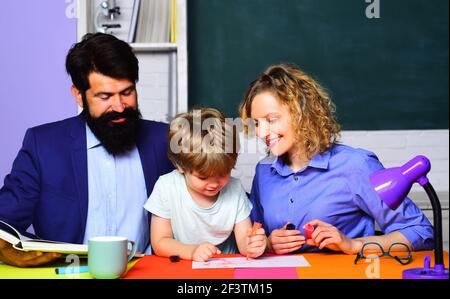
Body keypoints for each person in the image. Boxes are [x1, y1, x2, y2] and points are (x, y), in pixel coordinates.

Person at [0, 33, 174, 267]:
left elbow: (219, 186)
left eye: (127, 92)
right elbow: (4, 219)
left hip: (147, 272)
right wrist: (6, 250)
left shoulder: (164, 139)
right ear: (79, 96)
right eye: (105, 96)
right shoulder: (43, 145)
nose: (120, 106)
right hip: (68, 273)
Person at [239, 63, 434, 255]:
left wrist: (353, 244)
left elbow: (421, 231)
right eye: (256, 123)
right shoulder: (264, 171)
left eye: (271, 120)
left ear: (302, 114)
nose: (261, 132)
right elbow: (255, 236)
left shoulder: (355, 165)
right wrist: (268, 243)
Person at [144, 108, 267, 261]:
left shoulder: (234, 189)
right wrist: (192, 251)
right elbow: (160, 242)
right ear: (181, 166)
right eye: (203, 177)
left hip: (227, 268)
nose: (214, 184)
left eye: (223, 174)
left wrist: (252, 244)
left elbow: (243, 241)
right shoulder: (166, 187)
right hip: (184, 267)